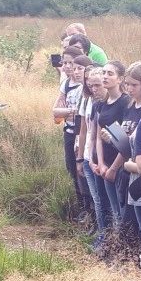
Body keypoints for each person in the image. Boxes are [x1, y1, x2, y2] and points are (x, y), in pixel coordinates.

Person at [92, 60, 134, 256]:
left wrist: (114, 168)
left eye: (110, 73)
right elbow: (98, 136)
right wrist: (101, 163)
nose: (105, 77)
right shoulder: (101, 103)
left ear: (120, 79)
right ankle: (111, 248)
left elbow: (125, 141)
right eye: (104, 73)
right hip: (105, 163)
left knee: (120, 212)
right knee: (109, 209)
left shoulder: (125, 102)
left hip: (119, 164)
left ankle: (122, 252)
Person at [118, 64, 141, 268]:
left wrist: (129, 165)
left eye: (134, 84)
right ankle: (138, 265)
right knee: (132, 226)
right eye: (127, 84)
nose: (130, 88)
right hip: (131, 174)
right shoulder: (131, 108)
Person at [78, 65, 114, 252]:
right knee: (98, 200)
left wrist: (97, 161)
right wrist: (87, 159)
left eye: (97, 85)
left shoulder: (112, 105)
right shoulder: (92, 102)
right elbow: (89, 133)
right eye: (90, 86)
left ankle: (109, 238)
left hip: (106, 162)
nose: (94, 89)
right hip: (89, 158)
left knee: (106, 202)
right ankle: (103, 235)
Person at [53, 49, 89, 220]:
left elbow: (81, 116)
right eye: (66, 64)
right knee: (72, 170)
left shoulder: (87, 87)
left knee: (82, 170)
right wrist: (69, 111)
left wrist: (66, 112)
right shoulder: (66, 84)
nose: (70, 68)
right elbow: (55, 111)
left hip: (81, 132)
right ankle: (81, 207)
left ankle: (89, 210)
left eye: (74, 65)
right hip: (68, 131)